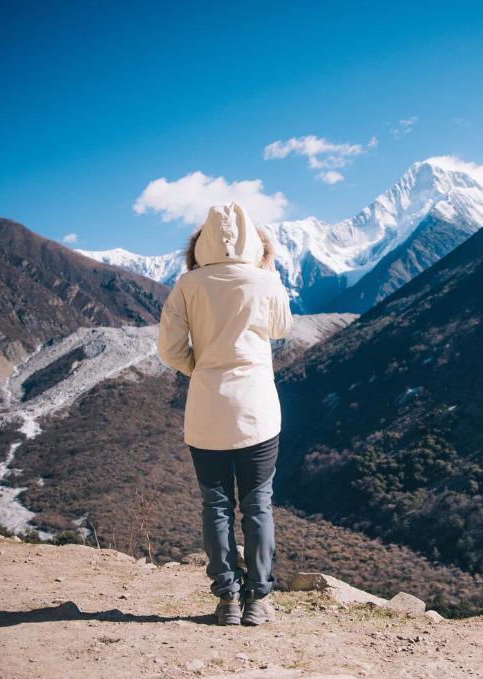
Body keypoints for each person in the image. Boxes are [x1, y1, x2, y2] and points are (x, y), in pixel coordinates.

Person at [157, 202, 293, 626]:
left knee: (215, 505)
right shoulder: (265, 280)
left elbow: (169, 348)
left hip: (206, 408)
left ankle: (227, 599)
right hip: (257, 409)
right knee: (258, 504)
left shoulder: (187, 284)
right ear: (254, 239)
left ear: (201, 243)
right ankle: (259, 599)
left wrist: (199, 368)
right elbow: (281, 328)